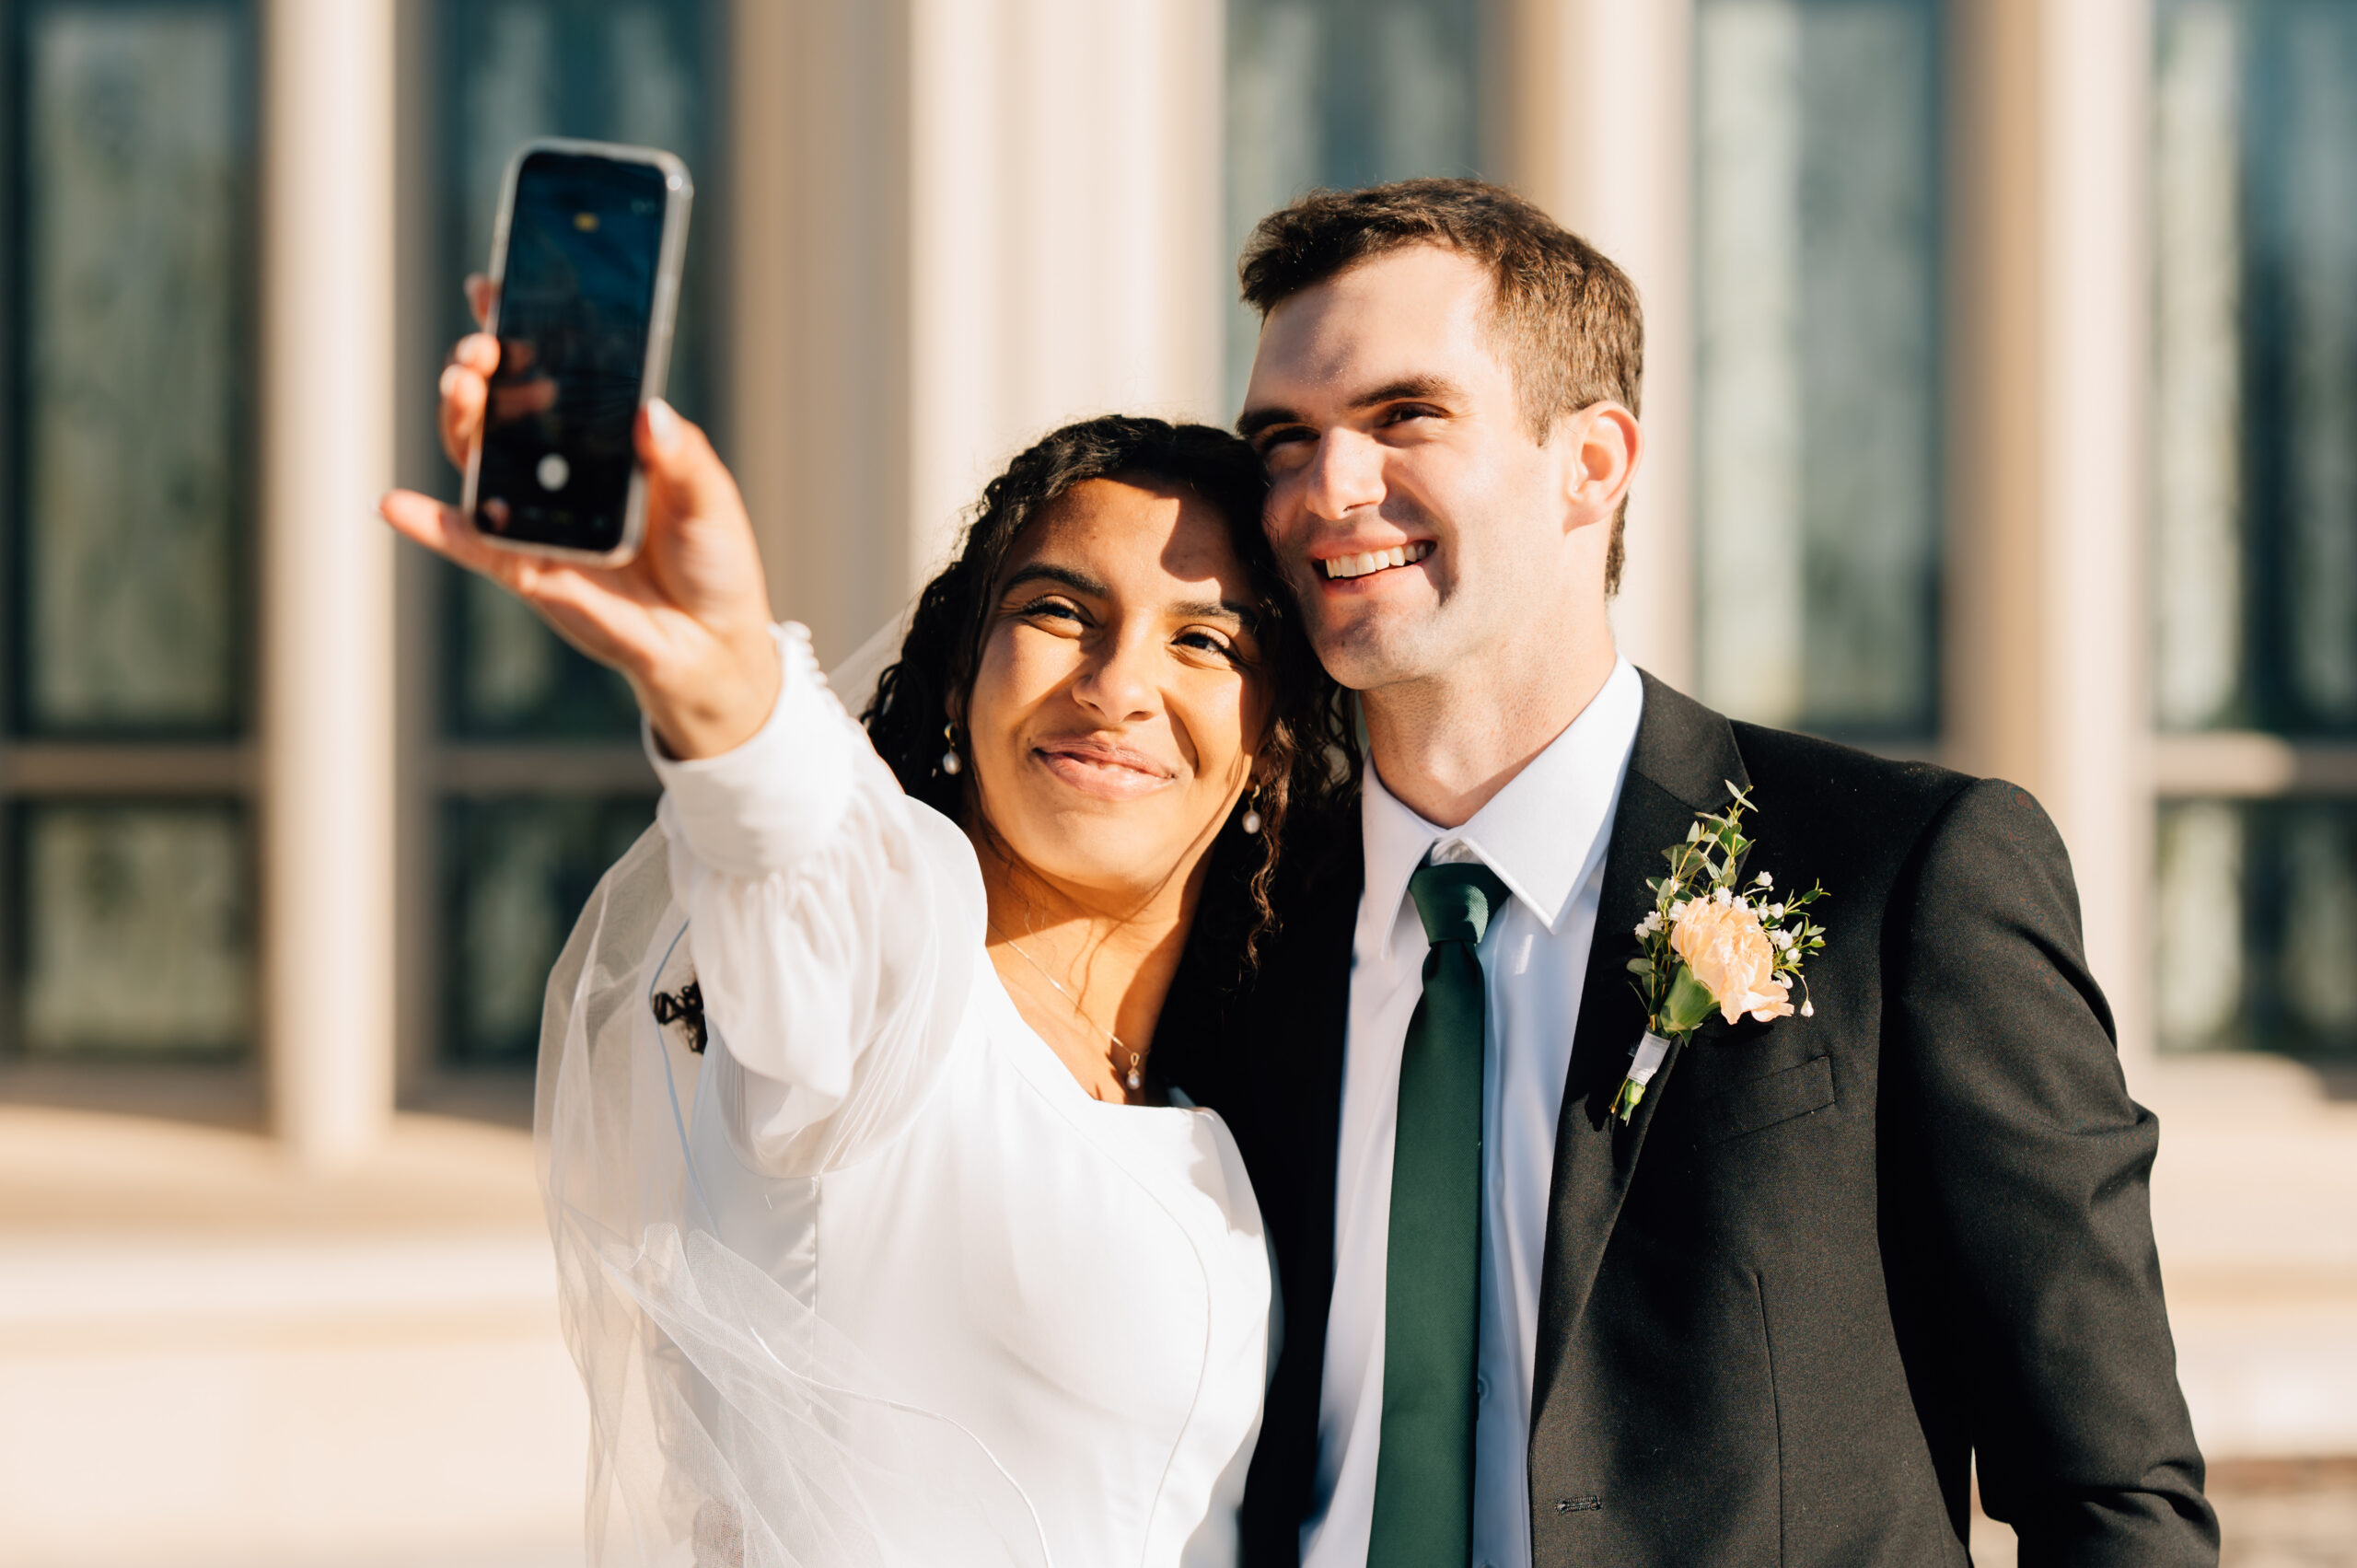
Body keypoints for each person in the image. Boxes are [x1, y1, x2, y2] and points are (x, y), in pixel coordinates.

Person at [1149, 179, 2221, 1566]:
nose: (1324, 491)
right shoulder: (1239, 922)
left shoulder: (1908, 877)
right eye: (1285, 442)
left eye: (1405, 416)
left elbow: (2113, 1492)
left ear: (1592, 463)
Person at [380, 329, 1353, 1562]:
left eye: (1203, 642)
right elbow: (796, 854)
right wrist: (725, 673)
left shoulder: (1219, 1087)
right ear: (960, 677)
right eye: (1059, 611)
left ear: (1270, 739)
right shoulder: (893, 989)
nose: (1118, 685)